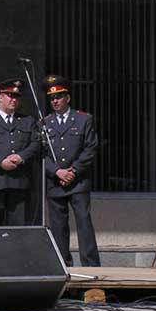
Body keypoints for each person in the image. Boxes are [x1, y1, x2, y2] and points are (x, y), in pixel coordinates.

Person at [41, 75, 100, 267]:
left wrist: (73, 170)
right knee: (58, 226)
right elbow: (41, 153)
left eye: (59, 96)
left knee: (84, 222)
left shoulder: (83, 119)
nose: (55, 101)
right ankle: (63, 264)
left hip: (78, 181)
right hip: (55, 182)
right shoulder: (44, 123)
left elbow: (90, 148)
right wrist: (57, 171)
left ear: (68, 97)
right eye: (52, 98)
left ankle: (90, 264)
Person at [0, 78, 42, 226]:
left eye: (17, 97)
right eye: (10, 96)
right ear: (1, 97)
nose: (14, 100)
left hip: (19, 182)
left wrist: (21, 156)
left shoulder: (27, 121)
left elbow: (36, 143)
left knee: (18, 230)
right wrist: (1, 162)